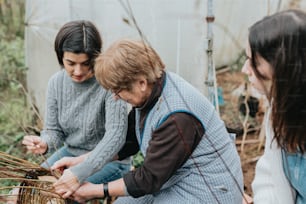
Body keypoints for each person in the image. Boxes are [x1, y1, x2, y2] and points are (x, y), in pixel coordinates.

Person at [53, 39, 244, 203]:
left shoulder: (177, 116)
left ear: (141, 83)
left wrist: (94, 190)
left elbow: (148, 179)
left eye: (118, 91)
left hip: (208, 191)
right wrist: (79, 162)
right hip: (174, 179)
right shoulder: (151, 93)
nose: (116, 97)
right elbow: (126, 144)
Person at [22, 20, 131, 195]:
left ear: (95, 58)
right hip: (70, 154)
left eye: (86, 63)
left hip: (110, 162)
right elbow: (53, 131)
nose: (78, 71)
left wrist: (79, 173)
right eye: (71, 63)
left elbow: (115, 137)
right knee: (26, 188)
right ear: (60, 57)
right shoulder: (56, 83)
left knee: (55, 194)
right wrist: (44, 142)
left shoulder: (109, 83)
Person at [242, 9, 306, 204]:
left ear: (284, 65)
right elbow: (271, 178)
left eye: (254, 62)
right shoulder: (280, 112)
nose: (245, 69)